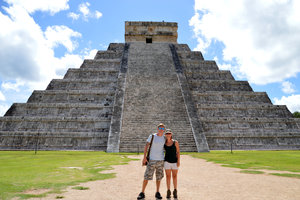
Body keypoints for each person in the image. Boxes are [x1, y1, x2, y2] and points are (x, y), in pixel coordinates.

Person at [137, 123, 166, 200]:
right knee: (146, 177)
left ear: (164, 130)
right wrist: (144, 158)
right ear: (157, 129)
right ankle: (142, 192)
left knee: (159, 177)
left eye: (163, 129)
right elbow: (146, 146)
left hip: (160, 160)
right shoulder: (152, 136)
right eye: (160, 128)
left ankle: (157, 192)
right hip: (152, 160)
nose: (161, 130)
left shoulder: (164, 138)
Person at [164, 129, 180, 199]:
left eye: (169, 133)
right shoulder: (164, 143)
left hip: (174, 161)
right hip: (167, 161)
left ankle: (175, 190)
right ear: (165, 135)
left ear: (171, 134)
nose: (168, 135)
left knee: (175, 176)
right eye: (167, 133)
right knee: (168, 176)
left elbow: (178, 152)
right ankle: (168, 191)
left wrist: (179, 161)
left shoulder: (175, 142)